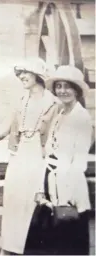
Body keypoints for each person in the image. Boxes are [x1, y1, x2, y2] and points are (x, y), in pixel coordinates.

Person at [0, 58, 59, 255]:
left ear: (37, 75)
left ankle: (31, 247)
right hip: (19, 155)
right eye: (20, 74)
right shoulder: (20, 101)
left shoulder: (54, 103)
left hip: (40, 158)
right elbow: (6, 127)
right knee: (13, 200)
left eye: (25, 72)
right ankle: (10, 248)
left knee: (32, 201)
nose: (21, 77)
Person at [26, 65, 93, 255]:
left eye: (67, 86)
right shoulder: (60, 113)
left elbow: (78, 161)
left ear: (77, 91)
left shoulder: (81, 118)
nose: (62, 91)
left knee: (67, 241)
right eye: (59, 86)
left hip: (68, 187)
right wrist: (41, 188)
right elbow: (48, 153)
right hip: (51, 181)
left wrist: (66, 197)